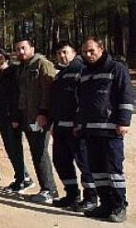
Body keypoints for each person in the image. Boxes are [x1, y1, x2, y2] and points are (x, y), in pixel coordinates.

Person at [78, 38, 133, 223]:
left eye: (92, 51)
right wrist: (80, 124)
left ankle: (119, 206)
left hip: (110, 130)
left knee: (113, 170)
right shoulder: (84, 73)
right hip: (91, 130)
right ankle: (105, 204)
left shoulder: (116, 69)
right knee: (97, 171)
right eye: (85, 52)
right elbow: (81, 102)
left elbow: (125, 95)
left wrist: (124, 121)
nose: (88, 54)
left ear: (101, 49)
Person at [51, 41, 97, 211]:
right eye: (59, 53)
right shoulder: (61, 74)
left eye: (65, 52)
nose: (62, 56)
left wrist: (80, 123)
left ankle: (91, 197)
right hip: (60, 127)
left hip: (76, 129)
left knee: (84, 163)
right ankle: (71, 195)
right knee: (61, 161)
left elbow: (85, 100)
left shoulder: (80, 70)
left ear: (74, 52)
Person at [13, 37, 58, 203]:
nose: (20, 52)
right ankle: (45, 187)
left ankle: (50, 189)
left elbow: (48, 91)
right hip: (27, 117)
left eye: (23, 48)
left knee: (40, 153)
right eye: (17, 49)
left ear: (32, 48)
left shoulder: (42, 64)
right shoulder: (23, 67)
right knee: (35, 152)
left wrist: (44, 113)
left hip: (39, 117)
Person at [0, 48, 34, 193]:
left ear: (7, 58)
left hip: (12, 118)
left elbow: (15, 96)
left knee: (16, 149)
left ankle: (23, 179)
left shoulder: (13, 72)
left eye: (0, 58)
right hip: (2, 117)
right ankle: (22, 176)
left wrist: (15, 117)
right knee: (10, 149)